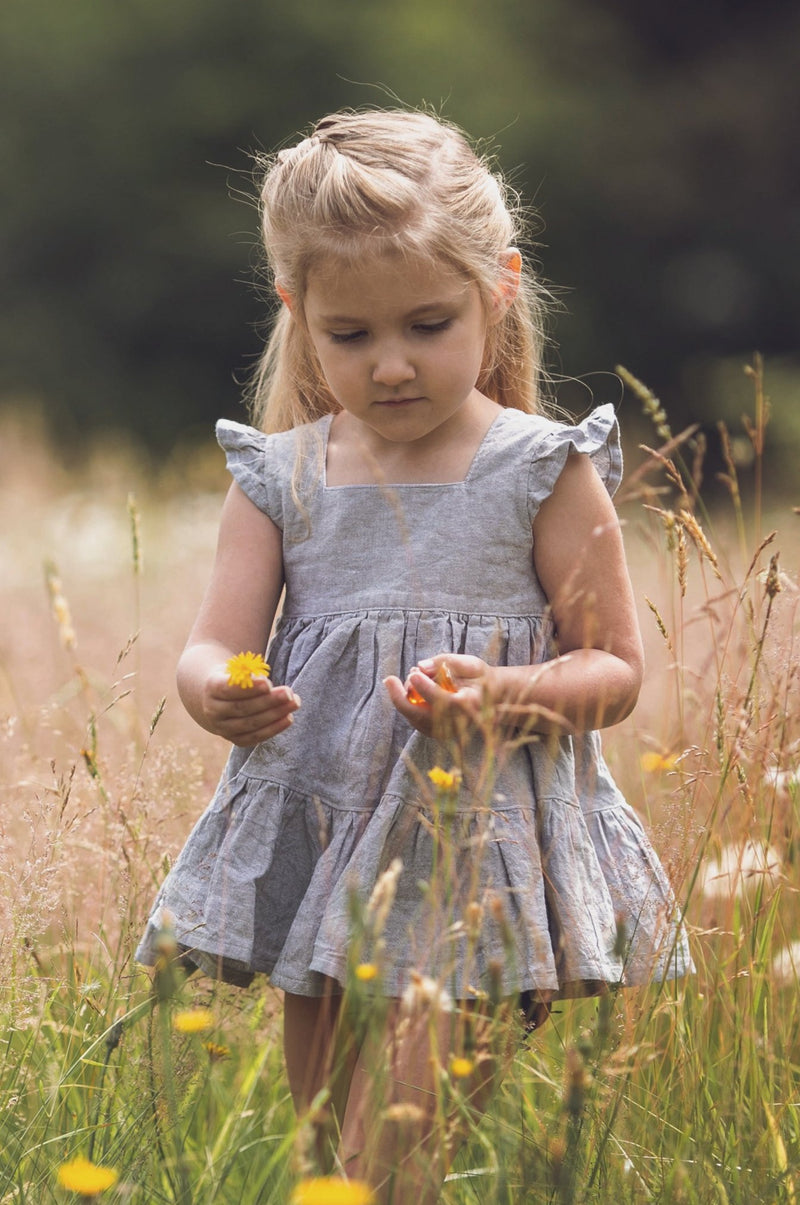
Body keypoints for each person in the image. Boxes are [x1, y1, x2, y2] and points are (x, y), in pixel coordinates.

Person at [136, 108, 691, 1202]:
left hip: (475, 859)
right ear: (298, 316)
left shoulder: (539, 468)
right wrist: (217, 693)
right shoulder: (280, 477)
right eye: (349, 336)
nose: (390, 365)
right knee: (328, 1167)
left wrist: (509, 692)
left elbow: (613, 671)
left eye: (427, 324)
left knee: (386, 1167)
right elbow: (212, 644)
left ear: (498, 289)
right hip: (319, 841)